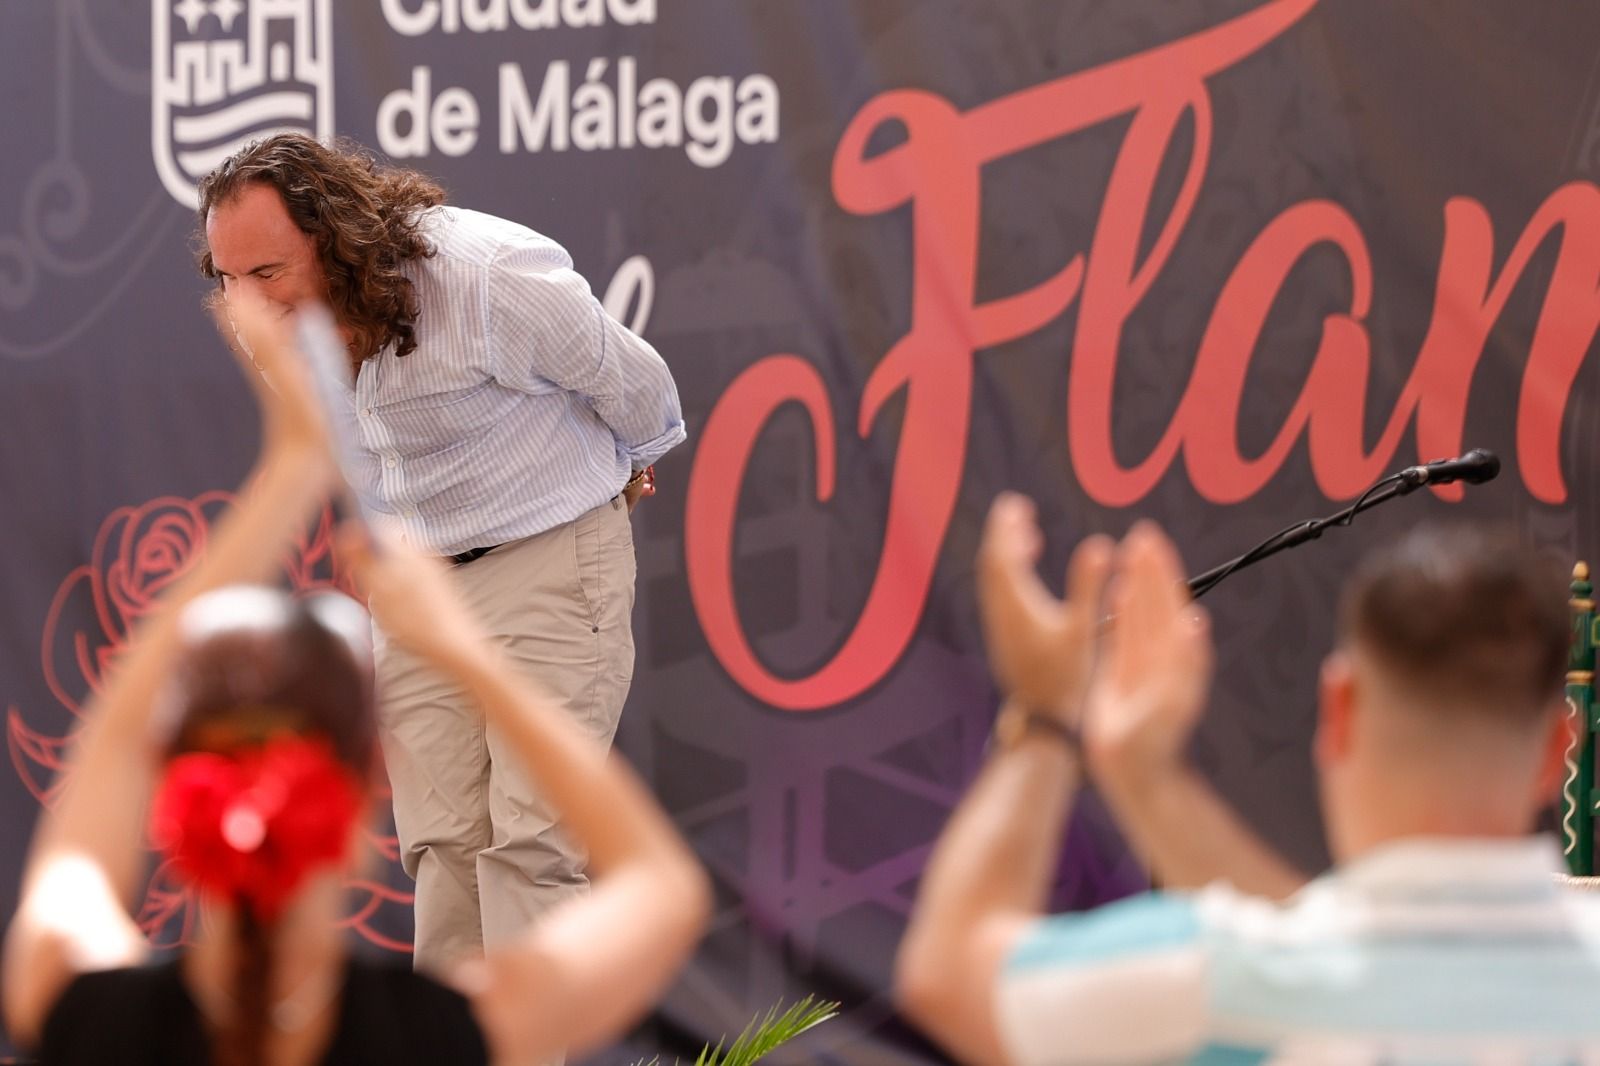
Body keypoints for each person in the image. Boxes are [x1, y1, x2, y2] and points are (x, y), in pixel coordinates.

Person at [0, 298, 710, 1066]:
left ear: (176, 800)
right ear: (363, 814)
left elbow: (107, 743)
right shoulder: (448, 1035)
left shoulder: (81, 1012)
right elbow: (661, 885)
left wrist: (293, 471)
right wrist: (464, 647)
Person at [193, 133, 686, 970]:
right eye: (226, 280)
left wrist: (628, 467)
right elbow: (349, 450)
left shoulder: (487, 274)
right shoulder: (263, 321)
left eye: (267, 273)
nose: (246, 305)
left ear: (334, 236)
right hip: (420, 591)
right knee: (443, 853)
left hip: (549, 559)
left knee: (532, 846)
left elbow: (635, 382)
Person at [895, 494, 1600, 1064]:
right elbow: (1346, 953)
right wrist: (1148, 785)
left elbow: (949, 971)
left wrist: (1046, 718)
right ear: (1561, 746)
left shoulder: (1230, 982)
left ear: (1339, 709)